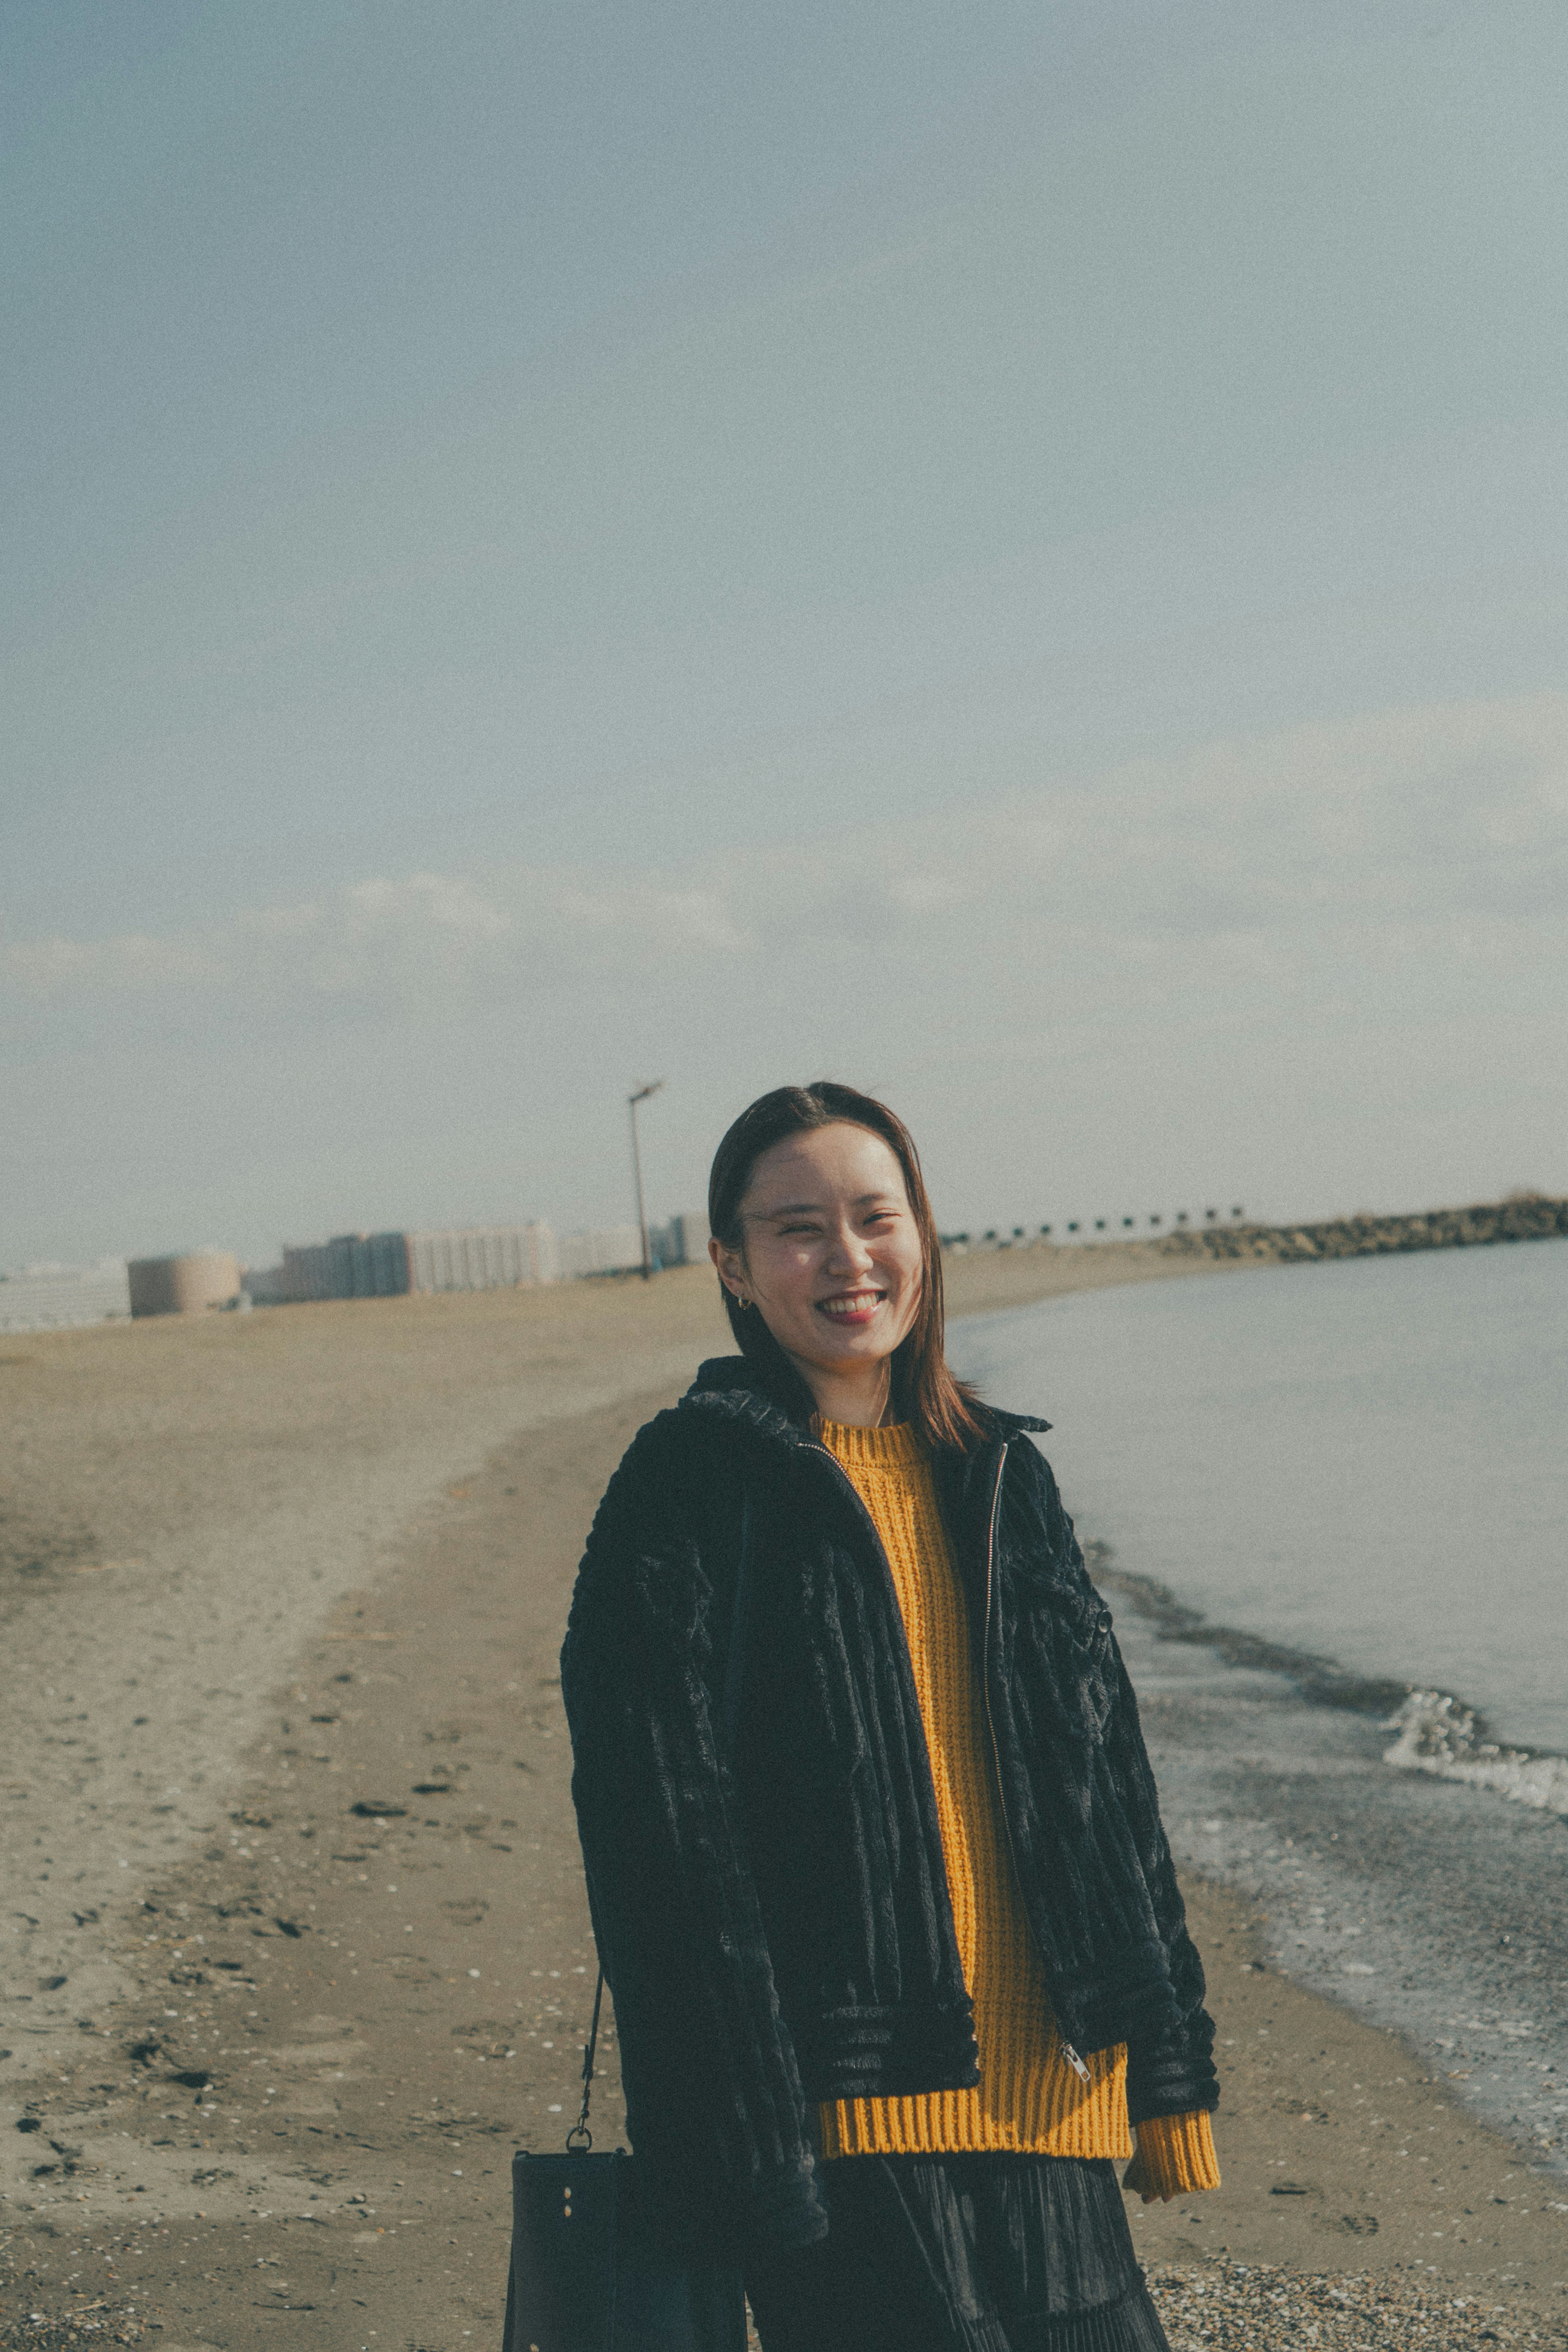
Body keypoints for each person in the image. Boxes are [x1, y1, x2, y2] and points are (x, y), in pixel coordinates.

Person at [561, 1082, 1220, 2352]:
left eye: (877, 1216)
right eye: (799, 1228)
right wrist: (745, 2150)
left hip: (1057, 2101)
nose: (849, 1259)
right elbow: (658, 1840)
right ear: (734, 1267)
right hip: (836, 2133)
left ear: (924, 1233)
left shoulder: (1005, 1477)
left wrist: (1169, 2063)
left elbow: (1111, 1792)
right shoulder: (689, 1485)